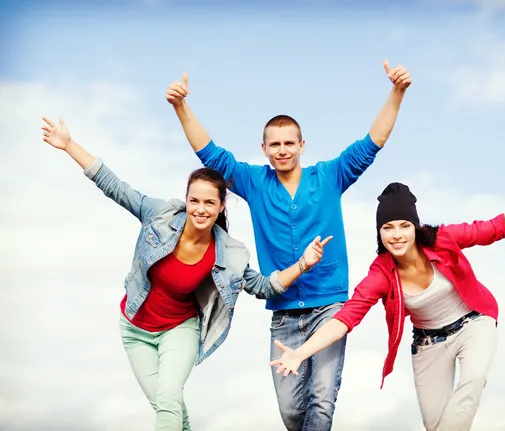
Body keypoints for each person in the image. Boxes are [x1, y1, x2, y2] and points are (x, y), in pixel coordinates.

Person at [40, 116, 332, 431]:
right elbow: (114, 186)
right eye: (194, 200)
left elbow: (264, 286)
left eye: (209, 202)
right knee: (171, 408)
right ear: (186, 200)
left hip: (180, 329)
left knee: (167, 400)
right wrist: (68, 145)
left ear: (222, 206)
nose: (200, 209)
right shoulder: (161, 215)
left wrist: (302, 264)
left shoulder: (228, 253)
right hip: (135, 328)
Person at [165, 60, 411, 430]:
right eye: (274, 144)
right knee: (292, 413)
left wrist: (397, 91)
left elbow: (372, 143)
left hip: (329, 307)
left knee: (321, 402)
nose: (282, 150)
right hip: (284, 315)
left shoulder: (329, 176)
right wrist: (181, 107)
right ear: (264, 148)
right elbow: (211, 155)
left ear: (302, 145)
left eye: (289, 143)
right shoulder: (253, 182)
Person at [269, 182, 505, 431]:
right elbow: (347, 317)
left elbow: (494, 227)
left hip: (472, 324)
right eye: (388, 227)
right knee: (437, 424)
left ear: (415, 227)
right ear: (380, 233)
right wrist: (300, 351)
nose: (397, 234)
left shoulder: (443, 239)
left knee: (473, 379)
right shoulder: (381, 273)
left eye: (404, 225)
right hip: (429, 345)